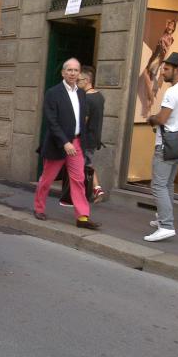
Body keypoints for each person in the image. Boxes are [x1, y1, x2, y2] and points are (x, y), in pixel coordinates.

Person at [33, 58, 101, 230]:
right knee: (47, 179)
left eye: (75, 70)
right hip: (58, 144)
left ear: (79, 74)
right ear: (63, 73)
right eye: (69, 70)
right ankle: (39, 208)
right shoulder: (52, 93)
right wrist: (64, 142)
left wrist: (82, 141)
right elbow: (51, 121)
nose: (72, 73)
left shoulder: (81, 94)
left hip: (77, 143)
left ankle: (82, 217)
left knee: (78, 180)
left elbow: (81, 120)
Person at [145, 52, 178, 242]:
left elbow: (162, 118)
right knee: (167, 184)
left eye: (166, 69)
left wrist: (151, 119)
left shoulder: (172, 92)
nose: (162, 72)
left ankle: (166, 225)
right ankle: (164, 219)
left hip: (165, 146)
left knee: (158, 185)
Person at [60, 66, 106, 206]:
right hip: (94, 137)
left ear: (87, 80)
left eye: (79, 80)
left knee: (79, 169)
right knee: (87, 164)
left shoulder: (86, 98)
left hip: (84, 139)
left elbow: (82, 122)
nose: (76, 82)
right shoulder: (99, 96)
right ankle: (97, 189)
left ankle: (80, 197)